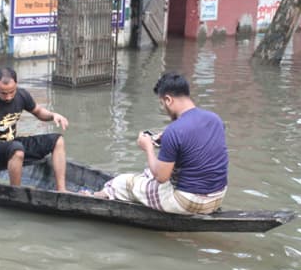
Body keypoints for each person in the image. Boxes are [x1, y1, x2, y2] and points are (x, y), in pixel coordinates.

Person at [95, 72, 229, 215]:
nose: (163, 108)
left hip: (189, 202)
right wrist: (165, 139)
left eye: (161, 103)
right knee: (148, 174)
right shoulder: (215, 119)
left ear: (168, 99)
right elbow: (198, 140)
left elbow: (161, 177)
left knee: (122, 182)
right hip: (217, 196)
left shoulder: (174, 131)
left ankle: (97, 196)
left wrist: (148, 148)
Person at [0, 67, 69, 191]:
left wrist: (53, 115)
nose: (9, 97)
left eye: (12, 91)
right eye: (3, 93)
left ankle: (61, 190)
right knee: (17, 149)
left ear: (16, 84)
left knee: (57, 140)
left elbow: (38, 111)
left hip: (12, 144)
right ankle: (15, 193)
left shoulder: (22, 95)